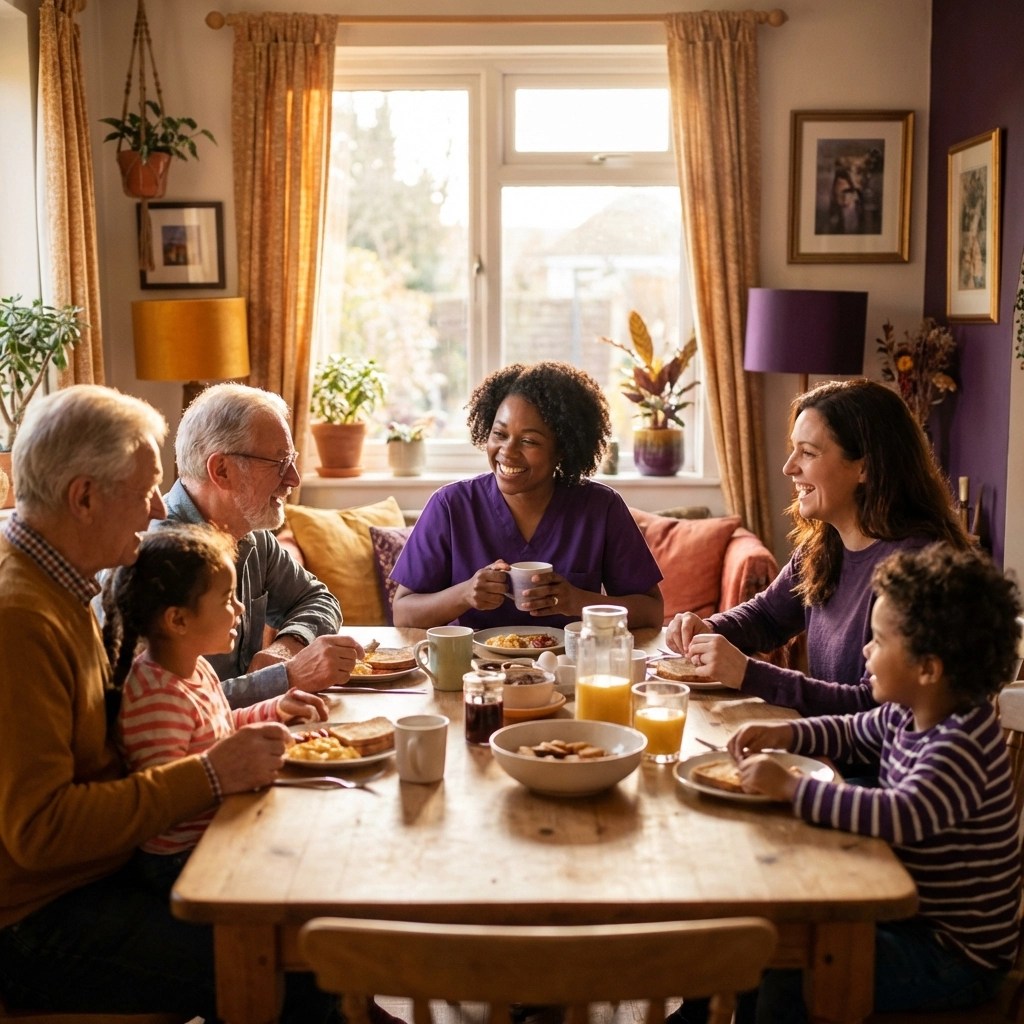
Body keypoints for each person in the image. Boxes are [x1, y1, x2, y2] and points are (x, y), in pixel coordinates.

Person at [0, 385, 335, 1021]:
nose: (158, 506)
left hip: (105, 870)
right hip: (40, 918)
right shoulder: (20, 618)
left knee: (305, 899)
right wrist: (210, 772)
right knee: (300, 961)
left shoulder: (58, 586)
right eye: (145, 487)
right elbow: (40, 832)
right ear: (84, 497)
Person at [720, 544, 1022, 1022]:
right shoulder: (910, 710)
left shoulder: (962, 743)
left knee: (789, 965)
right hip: (909, 915)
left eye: (879, 642)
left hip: (951, 954)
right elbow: (851, 730)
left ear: (928, 668)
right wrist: (788, 731)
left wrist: (792, 788)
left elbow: (899, 816)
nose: (865, 650)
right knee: (771, 927)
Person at [666, 378, 971, 715]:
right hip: (826, 745)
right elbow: (768, 616)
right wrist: (708, 628)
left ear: (864, 467)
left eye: (808, 452)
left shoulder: (916, 567)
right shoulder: (825, 546)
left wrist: (749, 674)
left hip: (873, 766)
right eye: (793, 448)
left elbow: (873, 709)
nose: (788, 467)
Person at [103, 523, 328, 892]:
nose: (240, 608)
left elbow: (218, 726)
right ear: (178, 620)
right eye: (227, 599)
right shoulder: (156, 696)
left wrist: (277, 709)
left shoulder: (195, 664)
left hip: (217, 828)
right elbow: (169, 801)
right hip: (183, 860)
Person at [390, 361, 664, 630]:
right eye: (499, 434)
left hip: (571, 670)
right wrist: (464, 594)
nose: (507, 451)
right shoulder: (451, 505)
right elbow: (403, 612)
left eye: (529, 441)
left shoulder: (601, 508)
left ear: (562, 449)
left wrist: (578, 601)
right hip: (473, 672)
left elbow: (651, 610)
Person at [162, 382, 366, 707]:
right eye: (279, 462)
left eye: (293, 459)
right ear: (222, 470)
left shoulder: (252, 535)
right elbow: (173, 708)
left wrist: (285, 646)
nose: (294, 479)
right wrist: (288, 677)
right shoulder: (155, 559)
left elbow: (317, 598)